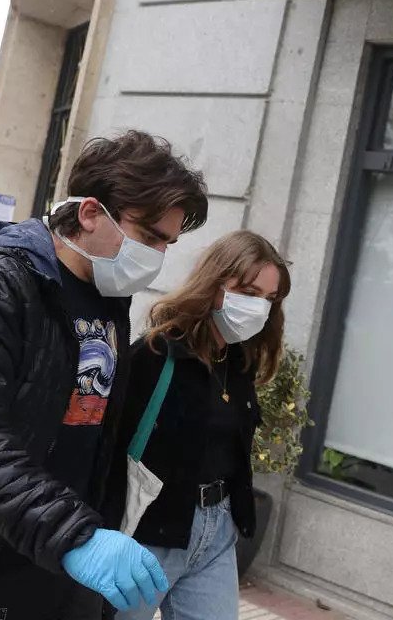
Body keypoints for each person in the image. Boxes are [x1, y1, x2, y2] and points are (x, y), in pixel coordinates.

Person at [0, 130, 208, 620]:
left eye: (167, 244)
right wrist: (75, 536)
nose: (157, 256)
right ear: (90, 213)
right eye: (150, 236)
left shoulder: (109, 297)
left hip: (45, 562)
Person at [105, 230, 291, 620]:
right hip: (150, 532)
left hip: (217, 530)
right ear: (215, 283)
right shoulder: (156, 354)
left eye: (269, 299)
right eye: (249, 292)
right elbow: (109, 447)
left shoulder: (239, 362)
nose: (259, 307)